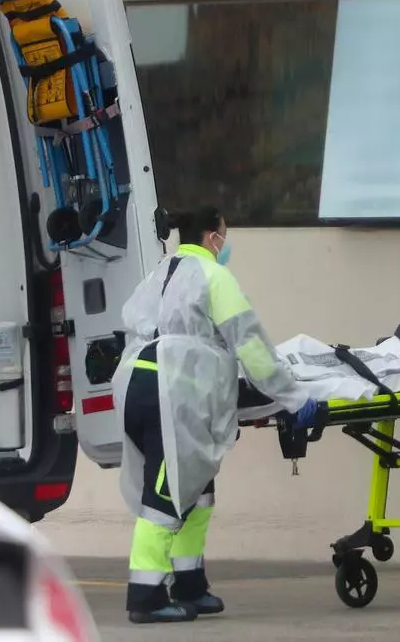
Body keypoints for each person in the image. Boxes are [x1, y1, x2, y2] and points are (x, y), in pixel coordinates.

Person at [113, 205, 320, 624]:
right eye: (224, 234)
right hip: (172, 392)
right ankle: (145, 595)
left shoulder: (158, 274)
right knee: (166, 494)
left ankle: (190, 583)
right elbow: (251, 345)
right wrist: (295, 398)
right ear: (212, 237)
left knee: (198, 489)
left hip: (137, 383)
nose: (226, 244)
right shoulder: (213, 276)